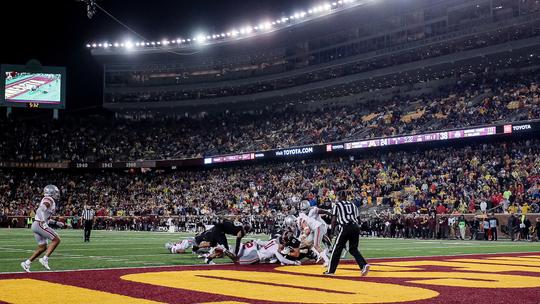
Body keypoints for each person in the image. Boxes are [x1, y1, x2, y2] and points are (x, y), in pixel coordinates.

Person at [325, 190, 369, 276]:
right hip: (355, 227)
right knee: (353, 249)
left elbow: (334, 220)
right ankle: (363, 265)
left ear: (339, 197)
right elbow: (358, 219)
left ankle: (330, 271)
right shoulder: (353, 205)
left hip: (345, 227)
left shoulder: (337, 205)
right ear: (346, 197)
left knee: (336, 249)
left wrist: (332, 233)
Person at [20, 185, 63, 272]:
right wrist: (43, 223)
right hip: (39, 224)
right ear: (51, 193)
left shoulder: (48, 200)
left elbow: (46, 217)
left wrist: (55, 223)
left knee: (42, 247)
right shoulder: (49, 199)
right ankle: (44, 259)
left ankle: (27, 263)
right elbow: (40, 211)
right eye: (55, 192)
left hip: (36, 224)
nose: (57, 194)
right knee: (56, 240)